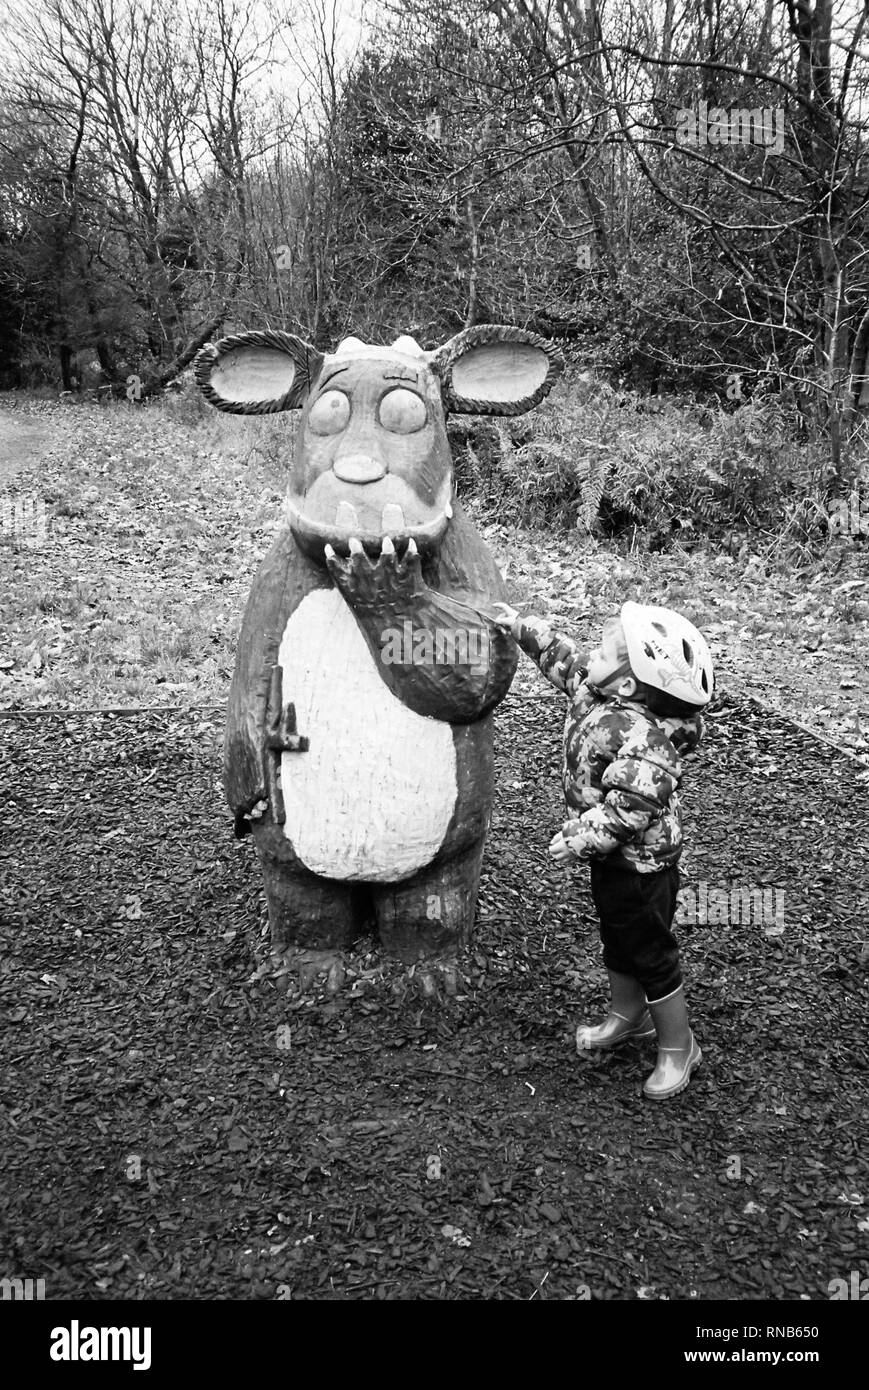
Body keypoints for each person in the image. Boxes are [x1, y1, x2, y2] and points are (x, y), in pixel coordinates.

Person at [492, 600, 713, 1099]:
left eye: (609, 647)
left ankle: (680, 1047)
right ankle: (627, 1016)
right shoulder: (595, 691)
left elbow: (629, 809)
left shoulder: (648, 741)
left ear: (630, 685)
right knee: (618, 938)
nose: (595, 649)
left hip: (642, 864)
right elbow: (565, 661)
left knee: (650, 951)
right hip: (614, 862)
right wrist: (523, 628)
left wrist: (579, 838)